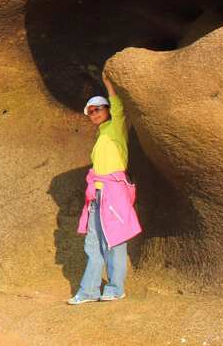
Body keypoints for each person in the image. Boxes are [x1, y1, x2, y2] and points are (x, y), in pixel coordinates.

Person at [67, 71, 142, 305]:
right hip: (98, 194)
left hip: (114, 192)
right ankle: (88, 291)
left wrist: (108, 84)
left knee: (114, 240)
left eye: (98, 108)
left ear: (107, 109)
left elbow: (119, 106)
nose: (94, 114)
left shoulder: (116, 127)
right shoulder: (101, 136)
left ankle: (115, 288)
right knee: (93, 243)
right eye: (90, 111)